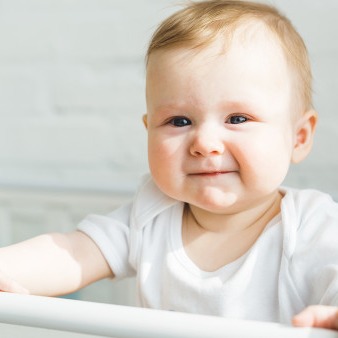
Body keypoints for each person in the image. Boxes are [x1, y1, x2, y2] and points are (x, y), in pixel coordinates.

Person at [0, 0, 338, 331]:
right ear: (149, 130)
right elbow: (73, 251)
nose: (205, 143)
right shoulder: (152, 215)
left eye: (237, 118)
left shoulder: (309, 226)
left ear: (299, 137)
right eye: (179, 121)